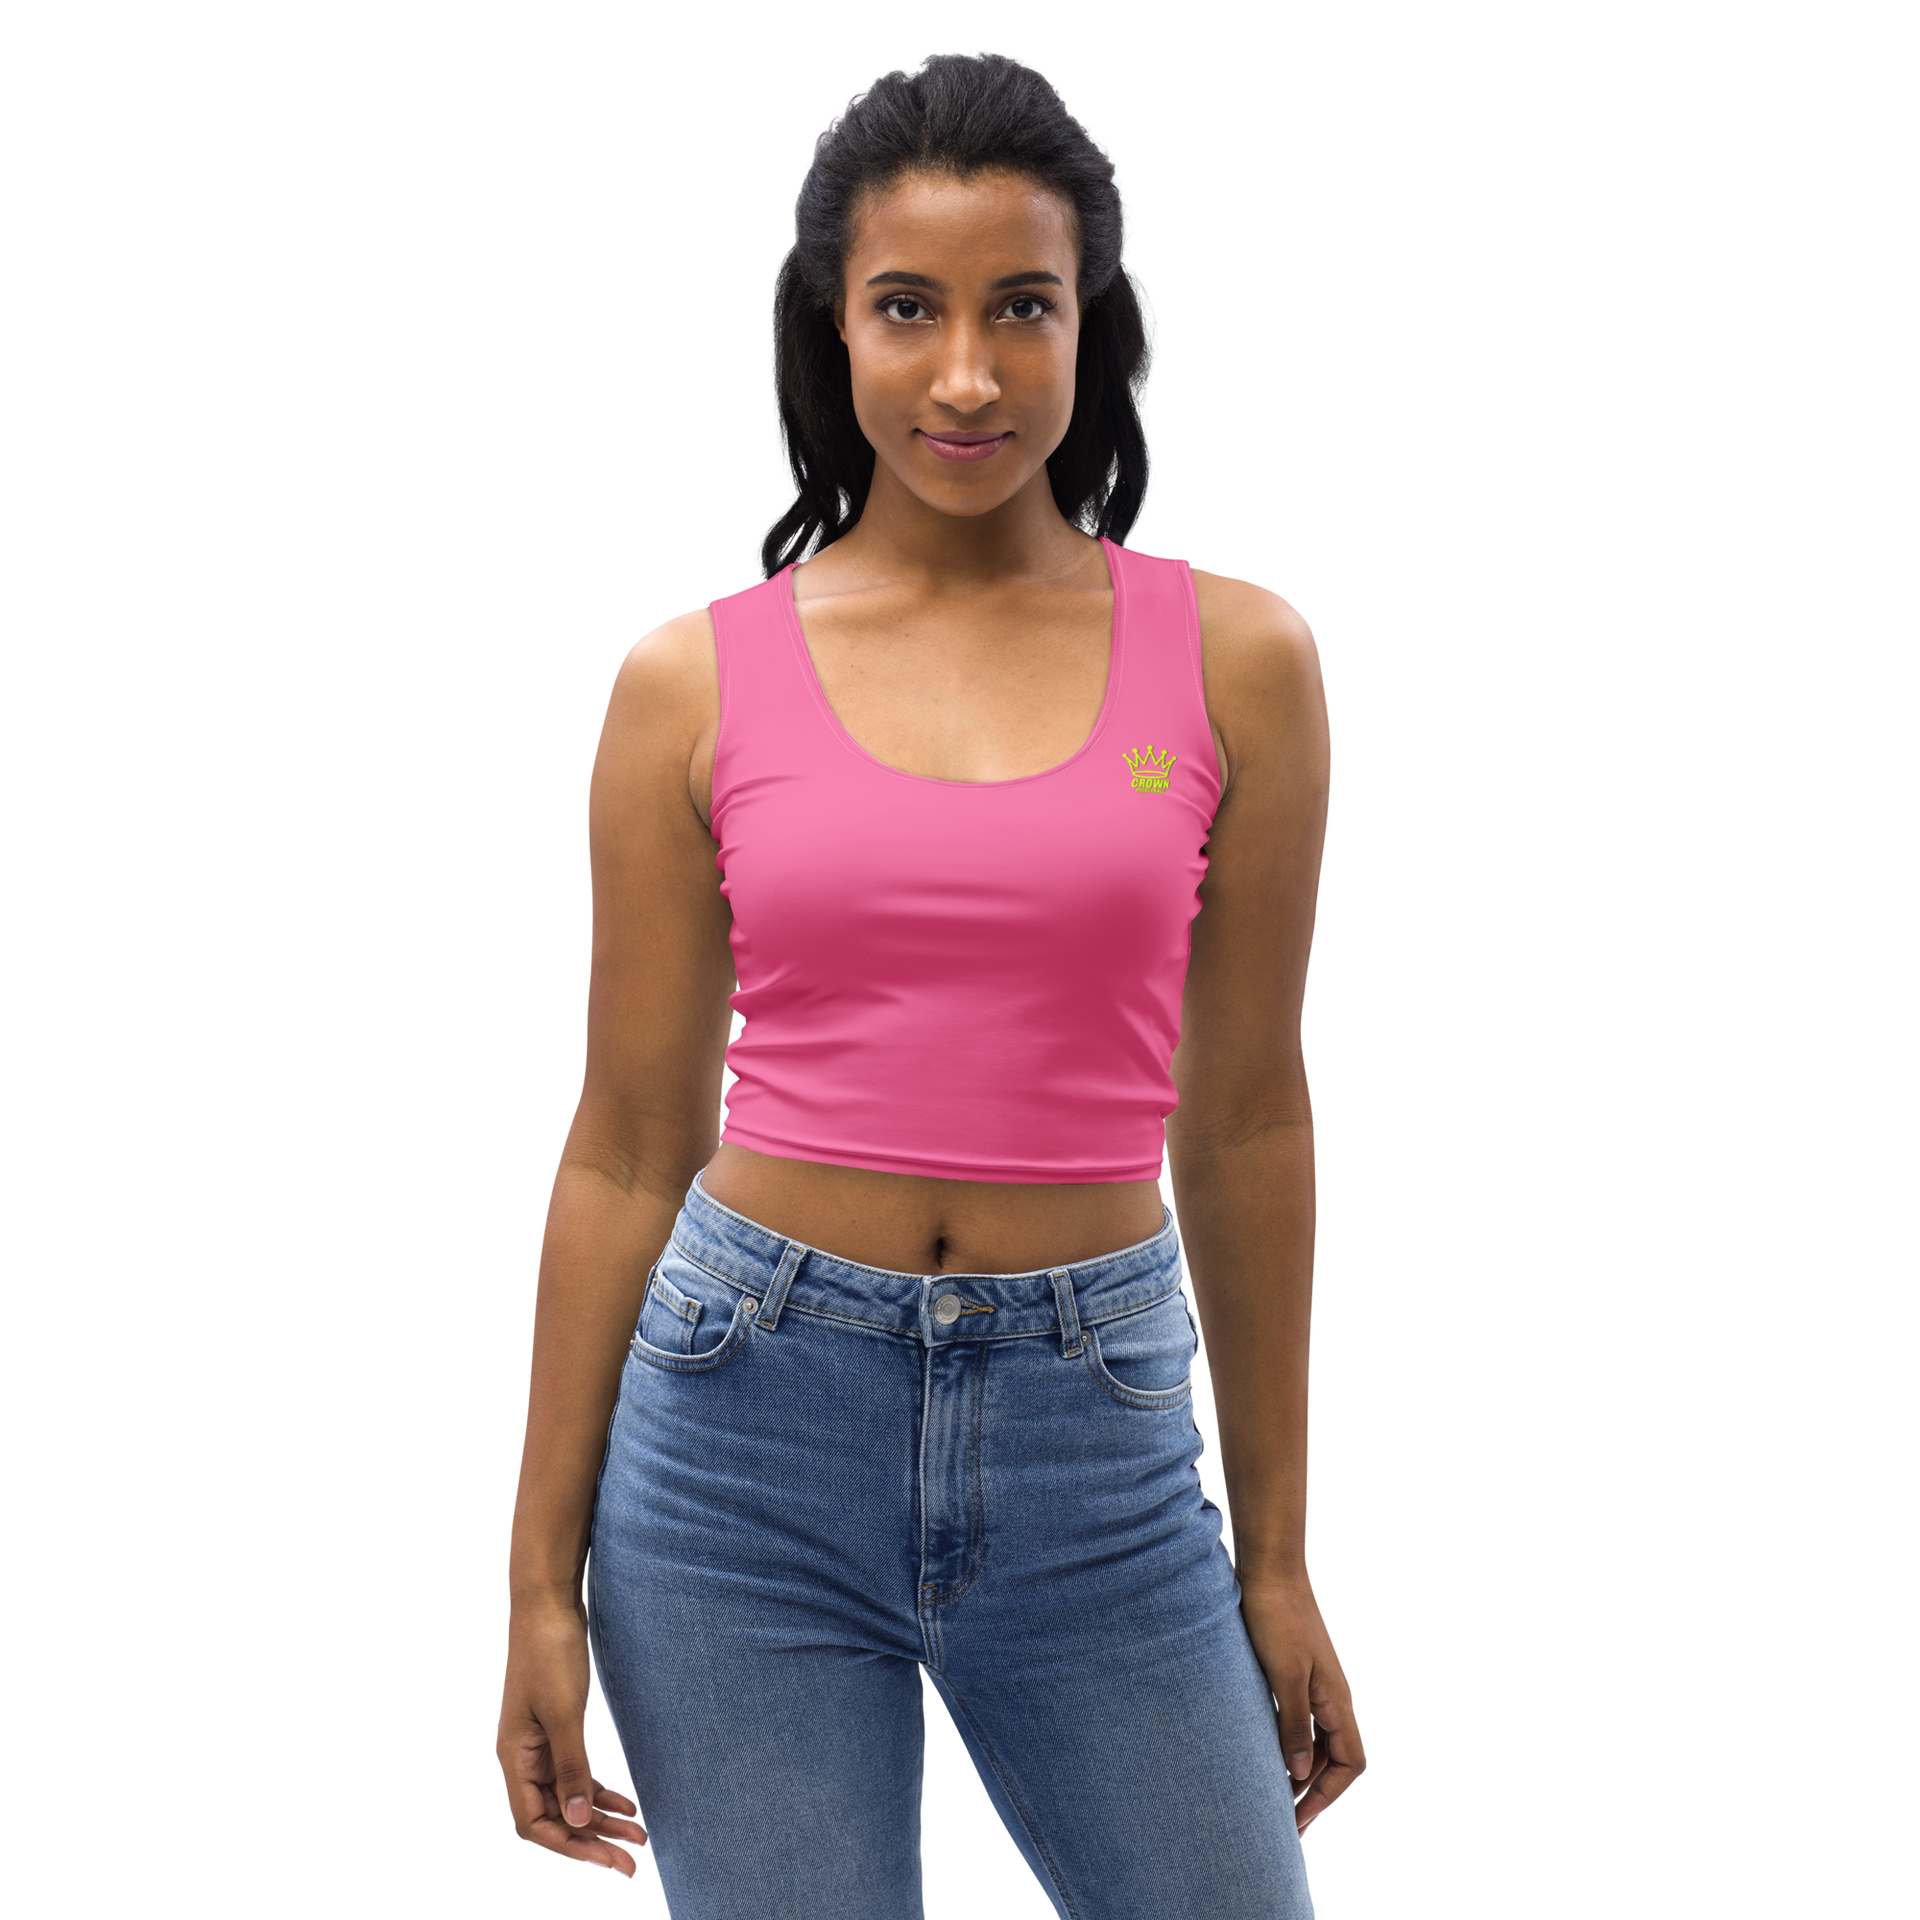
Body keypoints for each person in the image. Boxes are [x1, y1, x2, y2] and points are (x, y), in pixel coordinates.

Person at [493, 46, 1367, 1918]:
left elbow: (1245, 1121)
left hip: (1099, 1443)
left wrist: (1278, 1555)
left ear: (1096, 325)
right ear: (832, 329)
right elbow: (626, 1146)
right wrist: (534, 1588)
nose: (966, 376)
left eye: (1019, 307)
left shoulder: (1242, 661)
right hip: (737, 1444)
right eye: (909, 308)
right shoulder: (687, 682)